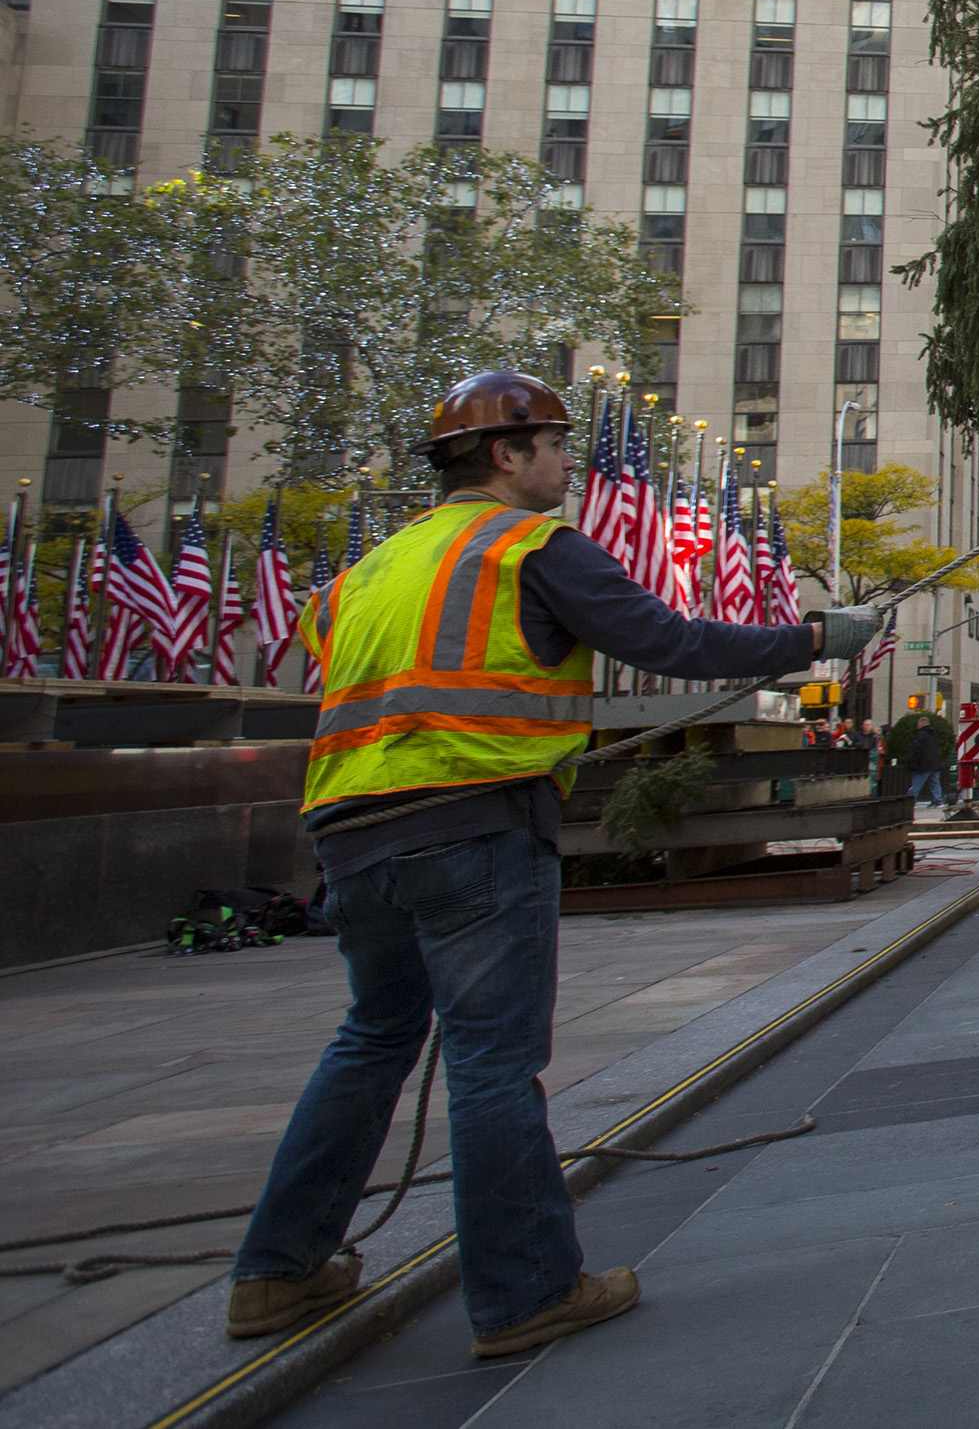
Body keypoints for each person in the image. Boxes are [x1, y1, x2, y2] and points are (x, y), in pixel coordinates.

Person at [232, 372, 873, 1359]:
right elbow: (667, 638)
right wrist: (813, 637)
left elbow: (339, 660)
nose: (567, 465)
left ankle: (276, 1270)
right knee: (491, 1058)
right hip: (475, 823)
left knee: (373, 1035)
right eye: (554, 445)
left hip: (350, 832)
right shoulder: (531, 546)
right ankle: (526, 1289)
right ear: (506, 453)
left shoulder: (370, 567)